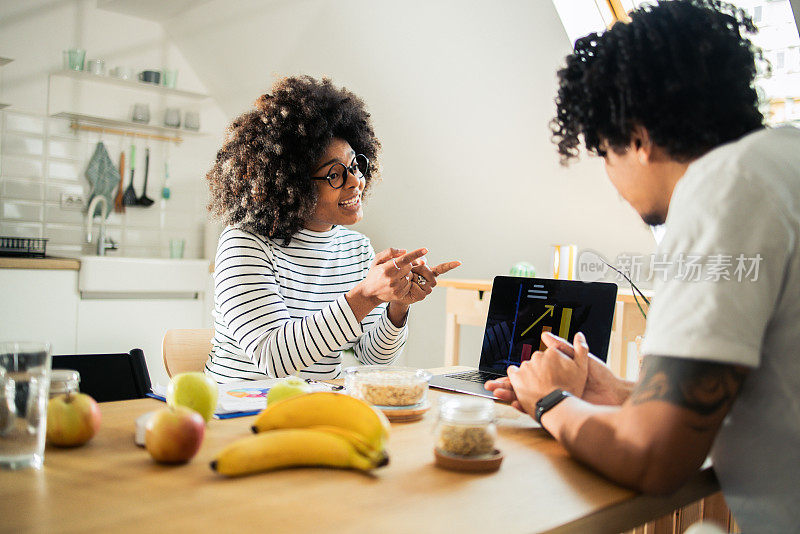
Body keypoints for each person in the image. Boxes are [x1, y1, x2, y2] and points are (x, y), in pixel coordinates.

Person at [485, 1, 800, 532]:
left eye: (605, 153)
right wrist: (623, 395)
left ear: (637, 136)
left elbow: (655, 458)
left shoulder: (721, 189)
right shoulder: (782, 160)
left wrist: (551, 402)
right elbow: (764, 390)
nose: (612, 182)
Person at [205, 75, 460, 383]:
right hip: (241, 413)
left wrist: (396, 305)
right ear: (293, 185)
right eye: (334, 175)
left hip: (317, 409)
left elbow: (374, 357)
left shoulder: (356, 248)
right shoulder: (243, 244)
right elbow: (275, 357)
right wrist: (366, 295)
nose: (355, 181)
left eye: (354, 166)